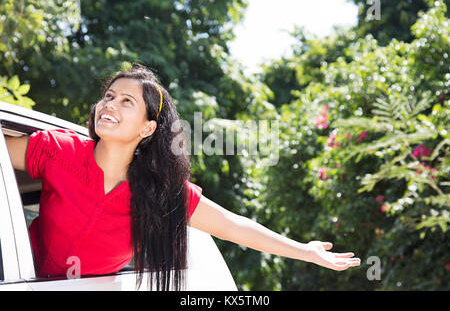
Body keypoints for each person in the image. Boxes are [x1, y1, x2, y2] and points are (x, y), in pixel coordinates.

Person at [5, 64, 360, 290]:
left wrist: (306, 251)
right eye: (109, 96)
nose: (109, 104)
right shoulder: (56, 151)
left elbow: (234, 226)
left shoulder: (163, 195)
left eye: (126, 101)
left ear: (148, 127)